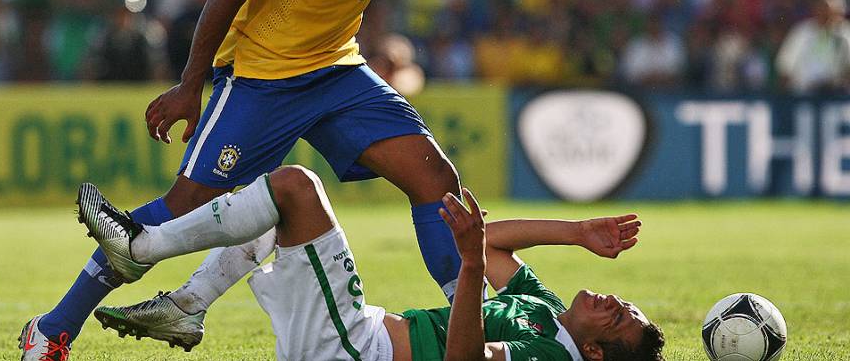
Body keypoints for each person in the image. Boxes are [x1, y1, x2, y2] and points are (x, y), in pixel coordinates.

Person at [18, 0, 515, 358]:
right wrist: (192, 85)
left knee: (435, 179)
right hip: (264, 74)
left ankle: (473, 332)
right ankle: (53, 327)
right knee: (184, 209)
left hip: (337, 69)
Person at [76, 166, 665, 360]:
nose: (614, 302)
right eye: (625, 304)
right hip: (355, 334)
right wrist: (577, 232)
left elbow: (462, 359)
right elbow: (488, 244)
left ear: (593, 353)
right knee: (272, 219)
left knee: (296, 189)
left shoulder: (549, 354)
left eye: (618, 320)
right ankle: (186, 308)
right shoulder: (543, 309)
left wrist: (467, 268)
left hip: (355, 346)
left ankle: (142, 249)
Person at [775, 0, 850, 94]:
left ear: (839, 12)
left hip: (837, 99)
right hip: (804, 97)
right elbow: (784, 68)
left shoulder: (846, 34)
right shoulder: (802, 31)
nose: (824, 14)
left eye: (829, 11)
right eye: (821, 9)